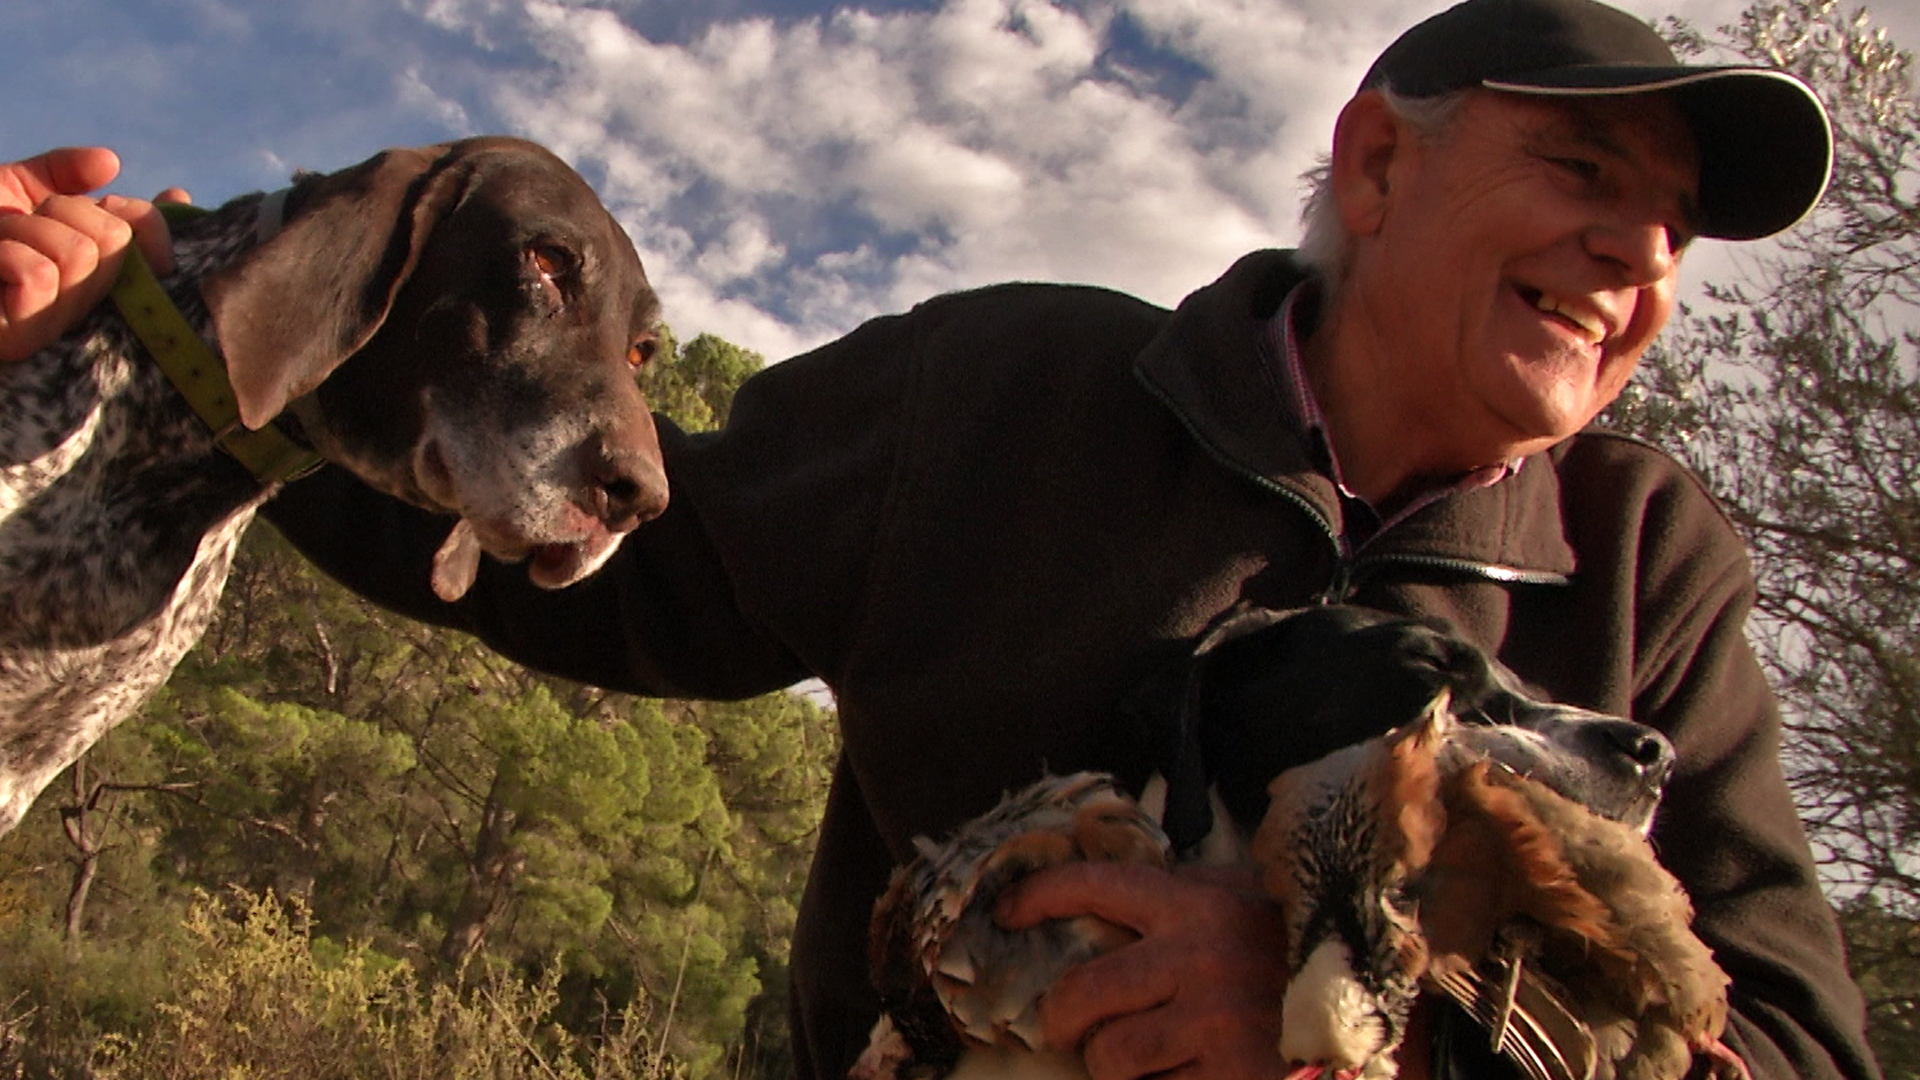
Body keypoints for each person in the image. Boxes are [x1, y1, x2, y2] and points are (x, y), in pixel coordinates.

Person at [6, 0, 1883, 1077]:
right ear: (1379, 161)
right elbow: (612, 554)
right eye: (1585, 172)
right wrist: (159, 312)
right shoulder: (1008, 393)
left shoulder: (1649, 562)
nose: (1640, 257)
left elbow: (1796, 1043)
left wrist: (1352, 1017)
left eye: (1673, 231)